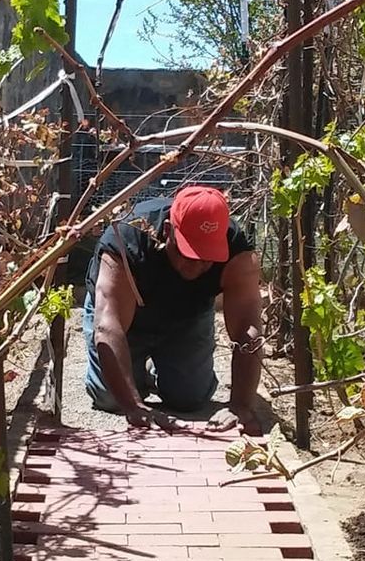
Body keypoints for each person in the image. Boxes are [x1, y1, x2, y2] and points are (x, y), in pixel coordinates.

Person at [83, 184, 267, 434]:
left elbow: (248, 327)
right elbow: (108, 326)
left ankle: (157, 369)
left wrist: (241, 405)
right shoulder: (126, 239)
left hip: (187, 315)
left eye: (207, 255)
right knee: (111, 398)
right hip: (127, 317)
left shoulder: (237, 252)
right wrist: (135, 406)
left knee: (190, 398)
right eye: (189, 253)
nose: (198, 265)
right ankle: (137, 370)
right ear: (168, 230)